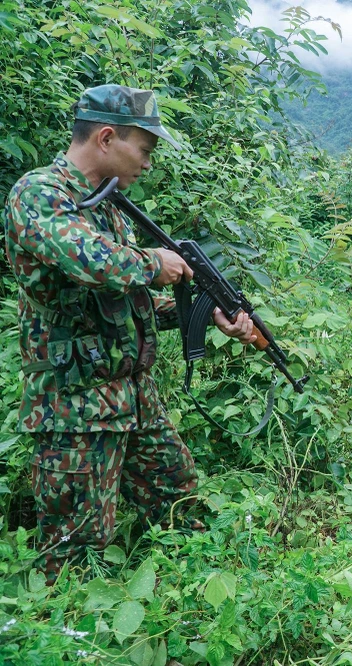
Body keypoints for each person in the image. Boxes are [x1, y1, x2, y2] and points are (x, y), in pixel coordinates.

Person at [3, 84, 257, 578]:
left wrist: (204, 314)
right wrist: (152, 261)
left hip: (133, 398)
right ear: (105, 138)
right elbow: (92, 263)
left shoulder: (109, 207)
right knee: (77, 549)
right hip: (75, 407)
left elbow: (125, 299)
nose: (147, 162)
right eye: (144, 149)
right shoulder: (39, 195)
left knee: (181, 503)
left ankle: (201, 605)